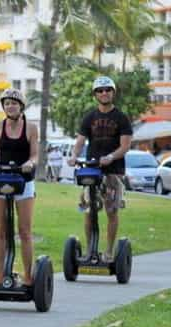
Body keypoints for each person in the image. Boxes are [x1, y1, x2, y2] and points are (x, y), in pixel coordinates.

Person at [67, 76, 133, 262]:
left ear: (113, 92)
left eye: (107, 90)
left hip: (113, 170)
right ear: (95, 94)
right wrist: (73, 156)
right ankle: (90, 251)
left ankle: (109, 252)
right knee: (89, 210)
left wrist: (111, 157)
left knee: (111, 211)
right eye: (100, 90)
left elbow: (125, 145)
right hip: (92, 171)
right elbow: (80, 141)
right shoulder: (90, 116)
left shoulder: (121, 118)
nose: (104, 93)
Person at [0, 88, 39, 286]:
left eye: (14, 103)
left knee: (24, 231)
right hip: (2, 180)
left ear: (21, 106)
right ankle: (0, 274)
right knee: (0, 231)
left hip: (24, 182)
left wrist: (30, 163)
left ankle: (29, 275)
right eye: (7, 103)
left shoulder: (31, 128)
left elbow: (34, 155)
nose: (10, 106)